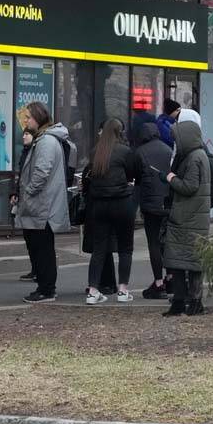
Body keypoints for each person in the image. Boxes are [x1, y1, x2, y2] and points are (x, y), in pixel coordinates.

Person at [15, 102, 72, 303]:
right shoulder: (44, 139)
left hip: (42, 205)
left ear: (38, 118)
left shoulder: (46, 141)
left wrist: (28, 192)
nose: (26, 121)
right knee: (40, 248)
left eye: (28, 117)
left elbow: (41, 172)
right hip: (40, 204)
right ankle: (44, 287)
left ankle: (46, 289)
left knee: (43, 249)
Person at [84, 118, 143, 305]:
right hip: (121, 202)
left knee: (99, 249)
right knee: (125, 248)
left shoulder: (95, 152)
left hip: (99, 205)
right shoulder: (125, 151)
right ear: (120, 132)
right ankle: (123, 290)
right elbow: (133, 174)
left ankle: (93, 291)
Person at [163, 119, 211, 316]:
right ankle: (189, 301)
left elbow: (189, 187)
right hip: (192, 218)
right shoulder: (198, 155)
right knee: (187, 262)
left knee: (185, 261)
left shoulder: (194, 158)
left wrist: (171, 178)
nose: (176, 143)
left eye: (177, 139)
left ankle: (186, 302)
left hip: (187, 218)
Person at [135, 121, 173, 299]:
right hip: (167, 203)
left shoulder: (140, 152)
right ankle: (171, 278)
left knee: (154, 244)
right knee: (167, 242)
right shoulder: (168, 149)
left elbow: (137, 178)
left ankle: (158, 283)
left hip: (150, 205)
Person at [13, 128, 37, 281]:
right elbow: (20, 176)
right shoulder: (24, 152)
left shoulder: (36, 152)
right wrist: (15, 193)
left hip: (32, 198)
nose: (24, 136)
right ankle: (35, 268)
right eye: (23, 134)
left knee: (35, 237)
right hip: (23, 196)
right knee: (28, 236)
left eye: (27, 134)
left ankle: (38, 269)